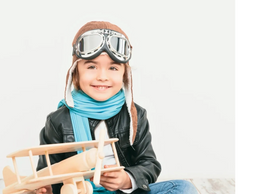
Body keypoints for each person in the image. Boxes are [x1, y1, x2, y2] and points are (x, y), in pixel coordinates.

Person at [35, 21, 198, 194]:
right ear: (76, 72)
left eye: (113, 67)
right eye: (91, 66)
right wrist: (45, 189)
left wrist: (126, 179)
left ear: (124, 75)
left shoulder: (135, 115)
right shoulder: (58, 120)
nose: (102, 76)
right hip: (81, 192)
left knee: (183, 188)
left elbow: (149, 164)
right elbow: (46, 172)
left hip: (123, 192)